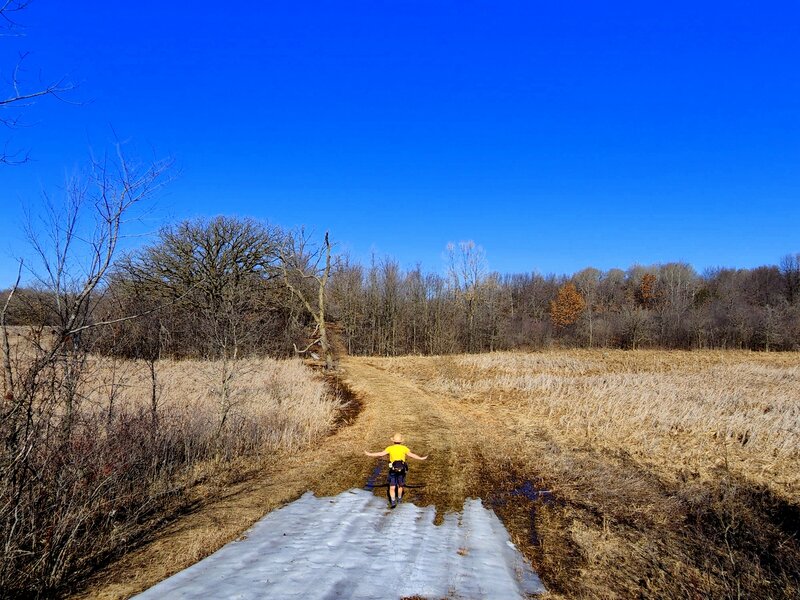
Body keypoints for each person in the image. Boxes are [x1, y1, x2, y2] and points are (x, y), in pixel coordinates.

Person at [364, 433, 427, 508]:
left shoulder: (390, 448)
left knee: (392, 487)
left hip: (393, 470)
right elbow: (411, 455)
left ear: (393, 441)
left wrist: (369, 454)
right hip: (402, 470)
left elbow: (381, 454)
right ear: (401, 441)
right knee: (400, 486)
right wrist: (420, 458)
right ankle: (399, 499)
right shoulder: (404, 448)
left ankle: (393, 501)